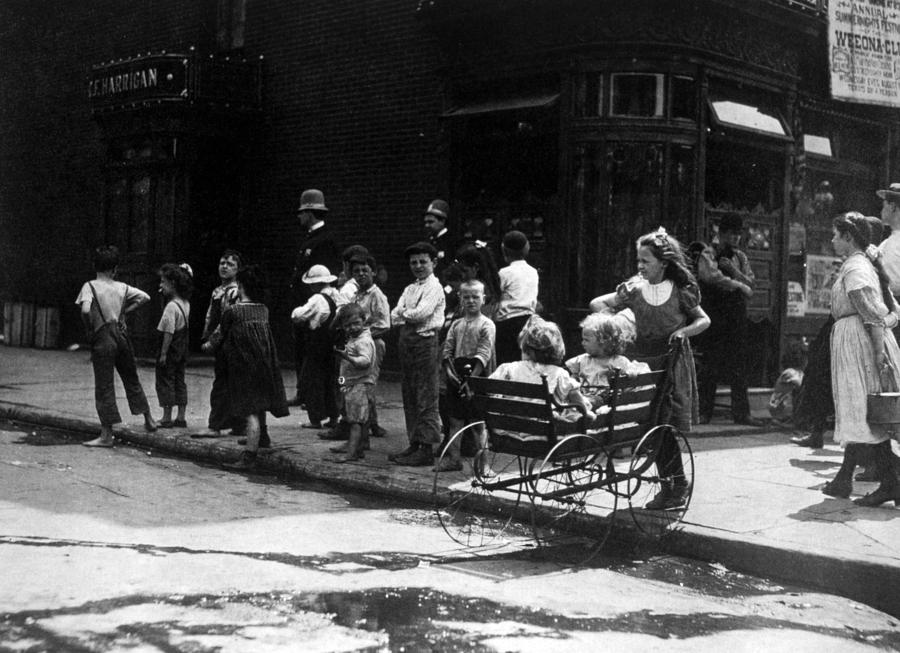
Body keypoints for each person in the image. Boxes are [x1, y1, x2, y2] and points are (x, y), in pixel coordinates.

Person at [590, 227, 710, 509]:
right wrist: (616, 325)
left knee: (662, 423)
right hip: (642, 362)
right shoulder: (634, 289)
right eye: (638, 261)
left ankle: (675, 485)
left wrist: (684, 333)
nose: (640, 266)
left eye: (646, 261)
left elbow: (703, 320)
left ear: (664, 263)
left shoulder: (681, 291)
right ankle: (673, 484)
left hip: (671, 363)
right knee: (647, 423)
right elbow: (597, 304)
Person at [822, 212, 900, 507]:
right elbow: (887, 313)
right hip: (856, 342)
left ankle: (891, 481)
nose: (832, 240)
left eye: (835, 235)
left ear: (848, 237)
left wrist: (880, 356)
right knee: (861, 411)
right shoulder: (859, 265)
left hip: (861, 345)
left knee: (865, 411)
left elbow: (873, 317)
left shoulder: (856, 268)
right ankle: (855, 479)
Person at [204, 265, 289, 471]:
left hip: (244, 366)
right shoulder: (263, 310)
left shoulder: (233, 311)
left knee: (250, 410)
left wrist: (206, 346)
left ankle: (249, 456)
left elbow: (219, 336)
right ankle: (262, 437)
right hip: (265, 364)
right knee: (260, 404)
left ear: (240, 287)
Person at [76, 245, 157, 446]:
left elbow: (86, 310)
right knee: (131, 378)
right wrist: (124, 312)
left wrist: (89, 328)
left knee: (104, 385)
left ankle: (106, 435)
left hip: (102, 336)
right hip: (121, 335)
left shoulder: (90, 285)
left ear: (95, 266)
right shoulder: (122, 287)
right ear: (115, 269)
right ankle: (149, 419)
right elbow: (145, 297)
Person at [695, 215, 763, 426]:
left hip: (736, 314)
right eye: (731, 233)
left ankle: (742, 413)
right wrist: (739, 285)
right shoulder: (709, 252)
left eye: (738, 234)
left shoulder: (740, 257)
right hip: (715, 312)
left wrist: (734, 273)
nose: (735, 237)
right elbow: (709, 276)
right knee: (711, 363)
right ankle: (704, 412)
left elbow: (752, 283)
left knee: (738, 364)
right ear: (721, 233)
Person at [319, 253, 391, 442]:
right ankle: (350, 424)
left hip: (370, 346)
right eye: (356, 271)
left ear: (373, 272)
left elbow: (384, 324)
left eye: (364, 270)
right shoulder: (357, 294)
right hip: (352, 348)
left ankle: (363, 431)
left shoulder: (377, 295)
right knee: (345, 384)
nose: (360, 274)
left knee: (364, 387)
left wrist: (362, 335)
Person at [389, 241, 446, 466]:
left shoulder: (435, 287)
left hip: (425, 342)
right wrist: (405, 313)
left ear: (433, 262)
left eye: (423, 261)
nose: (418, 266)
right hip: (407, 342)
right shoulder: (410, 288)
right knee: (409, 392)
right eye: (414, 262)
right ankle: (414, 442)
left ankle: (426, 447)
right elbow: (394, 315)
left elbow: (421, 314)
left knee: (426, 394)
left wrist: (405, 313)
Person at [435, 279, 496, 472]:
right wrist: (450, 373)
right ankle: (454, 459)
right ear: (460, 299)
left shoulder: (487, 324)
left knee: (478, 424)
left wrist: (472, 380)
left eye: (475, 297)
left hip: (478, 375)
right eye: (466, 297)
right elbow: (448, 349)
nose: (471, 301)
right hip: (456, 374)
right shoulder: (457, 325)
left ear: (483, 299)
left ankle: (484, 464)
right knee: (455, 421)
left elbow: (484, 353)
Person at [489, 315, 594, 425]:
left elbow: (488, 389)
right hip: (542, 432)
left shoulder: (507, 369)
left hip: (506, 429)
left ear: (525, 348)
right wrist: (587, 411)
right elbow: (578, 400)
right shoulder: (559, 374)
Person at [288, 189, 340, 406]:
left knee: (313, 355)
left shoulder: (325, 240)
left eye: (302, 212)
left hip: (315, 308)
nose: (299, 217)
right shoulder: (311, 238)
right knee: (302, 351)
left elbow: (325, 277)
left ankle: (311, 395)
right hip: (305, 304)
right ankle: (304, 392)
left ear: (310, 212)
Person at [290, 264, 346, 429]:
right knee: (331, 381)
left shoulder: (317, 299)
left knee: (311, 380)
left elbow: (298, 315)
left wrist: (296, 313)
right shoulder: (337, 295)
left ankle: (315, 419)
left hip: (317, 343)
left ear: (314, 284)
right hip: (333, 344)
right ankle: (334, 417)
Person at [194, 249, 242, 439]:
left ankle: (216, 425)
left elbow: (226, 320)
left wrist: (212, 342)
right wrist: (205, 336)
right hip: (221, 342)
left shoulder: (234, 292)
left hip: (229, 342)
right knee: (228, 383)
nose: (224, 267)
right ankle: (237, 423)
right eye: (222, 263)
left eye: (230, 264)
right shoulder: (218, 290)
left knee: (223, 384)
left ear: (238, 269)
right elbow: (209, 316)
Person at [566, 312, 650, 410]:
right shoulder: (582, 360)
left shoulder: (618, 361)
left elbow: (637, 372)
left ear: (603, 341)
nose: (582, 343)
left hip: (605, 402)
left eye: (586, 340)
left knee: (595, 400)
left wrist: (630, 373)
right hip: (584, 398)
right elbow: (571, 378)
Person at [329, 304, 378, 462]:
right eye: (348, 325)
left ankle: (351, 453)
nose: (352, 327)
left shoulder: (363, 341)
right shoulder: (355, 338)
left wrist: (347, 357)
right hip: (351, 382)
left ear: (364, 321)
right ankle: (359, 447)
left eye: (356, 323)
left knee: (355, 421)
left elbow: (365, 361)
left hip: (359, 384)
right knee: (359, 418)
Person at [155, 263, 193, 428]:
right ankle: (181, 416)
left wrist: (163, 353)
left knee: (165, 380)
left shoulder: (171, 307)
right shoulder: (185, 303)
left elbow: (168, 332)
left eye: (163, 282)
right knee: (179, 380)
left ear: (173, 283)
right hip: (182, 348)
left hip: (170, 349)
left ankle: (166, 416)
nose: (160, 285)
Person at [494, 230, 540, 364]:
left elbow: (496, 296)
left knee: (506, 361)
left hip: (507, 324)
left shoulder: (504, 273)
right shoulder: (533, 272)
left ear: (504, 250)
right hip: (528, 322)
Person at [769, 343, 806, 428]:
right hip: (781, 411)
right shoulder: (789, 372)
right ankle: (793, 419)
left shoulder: (800, 372)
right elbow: (800, 384)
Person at [423, 199, 454, 282]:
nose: (427, 225)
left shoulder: (452, 241)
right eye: (425, 222)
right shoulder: (428, 242)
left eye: (430, 222)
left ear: (442, 221)